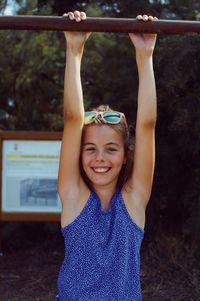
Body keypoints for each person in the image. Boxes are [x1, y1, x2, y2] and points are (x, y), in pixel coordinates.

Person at [56, 10, 157, 301]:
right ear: (79, 154)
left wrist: (145, 55)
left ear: (126, 155)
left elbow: (147, 126)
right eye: (90, 149)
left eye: (111, 149)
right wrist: (74, 48)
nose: (100, 158)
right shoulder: (72, 195)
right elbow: (73, 119)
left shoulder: (134, 199)